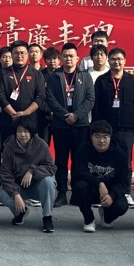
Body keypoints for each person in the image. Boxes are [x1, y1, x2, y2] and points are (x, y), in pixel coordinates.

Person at [45, 42, 95, 207]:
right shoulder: (54, 77)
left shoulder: (85, 76)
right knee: (61, 160)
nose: (68, 59)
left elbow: (90, 99)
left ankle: (76, 193)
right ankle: (61, 193)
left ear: (77, 58)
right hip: (61, 124)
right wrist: (65, 115)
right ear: (61, 58)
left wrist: (77, 115)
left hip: (81, 125)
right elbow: (50, 98)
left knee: (78, 159)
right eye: (65, 56)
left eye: (71, 56)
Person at [72, 120, 130, 232]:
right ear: (91, 137)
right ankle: (89, 219)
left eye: (105, 137)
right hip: (91, 188)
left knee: (122, 206)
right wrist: (99, 183)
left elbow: (123, 181)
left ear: (110, 137)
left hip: (110, 190)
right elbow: (80, 172)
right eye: (97, 136)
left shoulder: (120, 155)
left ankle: (107, 216)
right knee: (79, 187)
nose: (101, 140)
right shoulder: (83, 150)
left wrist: (112, 196)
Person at [0, 121, 57, 232]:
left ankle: (47, 217)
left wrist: (32, 171)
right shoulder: (9, 147)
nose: (23, 134)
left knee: (49, 181)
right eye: (19, 131)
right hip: (19, 187)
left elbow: (51, 167)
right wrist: (15, 193)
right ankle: (21, 212)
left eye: (26, 131)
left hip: (37, 186)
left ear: (31, 133)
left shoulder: (41, 144)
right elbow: (5, 174)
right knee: (3, 195)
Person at [0, 40, 45, 146]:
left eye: (22, 53)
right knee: (8, 149)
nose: (19, 56)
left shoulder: (36, 74)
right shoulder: (3, 73)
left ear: (27, 54)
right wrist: (13, 113)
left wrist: (26, 112)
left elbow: (40, 96)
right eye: (16, 53)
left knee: (30, 150)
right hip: (9, 119)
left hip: (30, 119)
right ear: (12, 54)